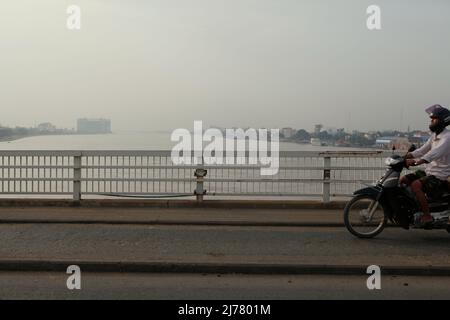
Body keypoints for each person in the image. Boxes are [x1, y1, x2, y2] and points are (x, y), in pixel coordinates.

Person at [400, 104, 450, 227]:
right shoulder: (434, 136)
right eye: (431, 119)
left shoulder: (447, 137)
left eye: (434, 119)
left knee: (416, 185)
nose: (431, 121)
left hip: (440, 176)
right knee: (403, 180)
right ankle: (412, 208)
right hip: (429, 172)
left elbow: (434, 153)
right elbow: (422, 150)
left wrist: (416, 162)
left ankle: (426, 215)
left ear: (443, 121)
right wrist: (405, 157)